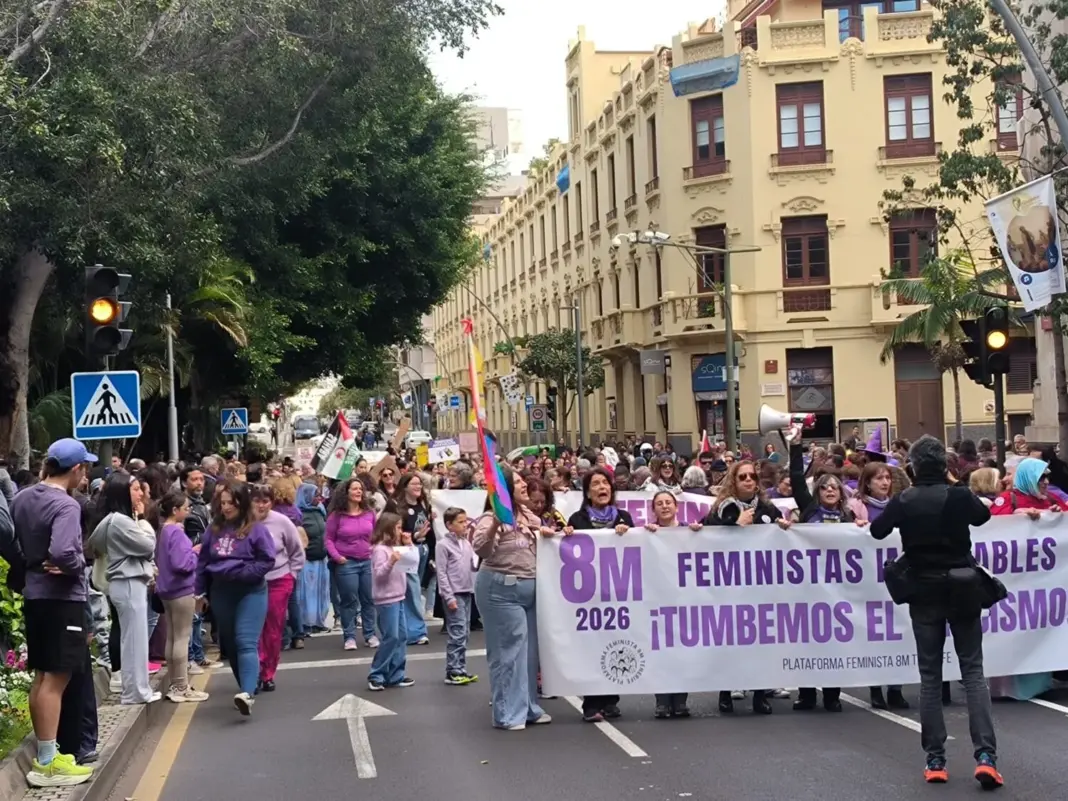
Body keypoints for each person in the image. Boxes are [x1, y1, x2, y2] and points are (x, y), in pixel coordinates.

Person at [869, 435, 1002, 789]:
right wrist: (953, 481)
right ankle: (985, 756)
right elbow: (984, 515)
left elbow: (877, 530)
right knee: (973, 671)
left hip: (923, 591)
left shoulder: (904, 499)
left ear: (911, 467)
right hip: (961, 587)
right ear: (944, 467)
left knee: (930, 675)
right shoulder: (957, 495)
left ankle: (935, 760)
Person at [11, 439, 96, 787]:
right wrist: (74, 564)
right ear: (76, 470)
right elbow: (64, 551)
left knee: (43, 675)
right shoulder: (66, 505)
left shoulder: (22, 498)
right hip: (62, 600)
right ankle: (48, 761)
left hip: (34, 594)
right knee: (57, 678)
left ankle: (48, 752)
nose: (86, 473)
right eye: (85, 468)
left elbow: (12, 538)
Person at [473, 467, 554, 730]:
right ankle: (507, 713)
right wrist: (497, 522)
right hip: (501, 592)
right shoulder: (489, 518)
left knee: (529, 654)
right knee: (509, 652)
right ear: (505, 488)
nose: (524, 485)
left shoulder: (529, 516)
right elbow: (482, 549)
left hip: (530, 590)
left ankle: (529, 707)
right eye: (517, 481)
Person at [195, 481, 276, 716]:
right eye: (223, 503)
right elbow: (202, 563)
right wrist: (200, 592)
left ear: (242, 502)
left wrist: (245, 574)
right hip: (221, 592)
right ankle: (246, 686)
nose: (227, 508)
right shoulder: (214, 529)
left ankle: (247, 693)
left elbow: (267, 559)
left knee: (245, 641)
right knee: (229, 644)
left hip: (250, 591)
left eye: (231, 503)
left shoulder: (256, 529)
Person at [566, 467, 634, 722]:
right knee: (592, 646)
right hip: (589, 594)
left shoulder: (624, 517)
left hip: (617, 593)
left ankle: (611, 700)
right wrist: (568, 536)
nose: (602, 488)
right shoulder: (577, 519)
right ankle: (592, 704)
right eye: (596, 484)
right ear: (587, 492)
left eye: (605, 483)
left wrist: (628, 534)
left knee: (615, 642)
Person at [88, 473, 159, 705]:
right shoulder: (121, 521)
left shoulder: (113, 520)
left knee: (134, 639)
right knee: (133, 641)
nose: (140, 494)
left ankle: (139, 689)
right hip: (128, 582)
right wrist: (142, 522)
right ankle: (135, 692)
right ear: (122, 493)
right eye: (136, 489)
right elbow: (148, 545)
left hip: (128, 583)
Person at [643, 491, 702, 719]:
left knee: (682, 651)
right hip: (658, 600)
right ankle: (662, 700)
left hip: (684, 599)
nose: (664, 506)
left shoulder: (690, 530)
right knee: (661, 651)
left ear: (676, 507)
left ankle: (680, 700)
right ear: (653, 509)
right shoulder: (648, 532)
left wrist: (698, 535)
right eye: (659, 504)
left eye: (668, 502)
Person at [155, 491, 208, 703]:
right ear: (175, 510)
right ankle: (180, 686)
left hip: (167, 590)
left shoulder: (164, 530)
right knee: (182, 638)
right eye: (186, 508)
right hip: (181, 589)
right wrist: (195, 552)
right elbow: (182, 564)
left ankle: (176, 683)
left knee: (173, 637)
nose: (189, 511)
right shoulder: (176, 533)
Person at [251, 484, 305, 692]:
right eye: (257, 501)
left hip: (279, 580)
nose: (261, 506)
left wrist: (292, 575)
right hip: (252, 582)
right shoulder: (244, 521)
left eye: (265, 501)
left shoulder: (282, 522)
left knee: (273, 630)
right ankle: (254, 670)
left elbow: (296, 551)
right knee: (254, 629)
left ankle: (268, 673)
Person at [326, 478, 378, 649]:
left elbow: (377, 535)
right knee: (349, 600)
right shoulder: (336, 516)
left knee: (368, 599)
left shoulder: (369, 513)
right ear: (345, 492)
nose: (358, 492)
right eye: (354, 489)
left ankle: (370, 634)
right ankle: (349, 637)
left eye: (360, 489)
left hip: (367, 561)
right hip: (346, 563)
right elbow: (328, 540)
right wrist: (337, 557)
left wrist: (375, 551)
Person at [367, 512, 412, 690]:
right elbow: (379, 575)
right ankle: (376, 673)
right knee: (391, 636)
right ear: (388, 529)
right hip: (386, 599)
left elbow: (411, 565)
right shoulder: (380, 550)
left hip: (399, 595)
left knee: (402, 636)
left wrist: (409, 546)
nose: (401, 531)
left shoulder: (395, 547)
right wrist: (391, 562)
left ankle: (396, 674)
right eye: (398, 527)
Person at [436, 507, 478, 686]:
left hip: (467, 590)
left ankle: (460, 667)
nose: (465, 525)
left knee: (465, 632)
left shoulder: (466, 543)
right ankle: (452, 670)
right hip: (454, 593)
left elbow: (473, 565)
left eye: (465, 521)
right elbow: (442, 572)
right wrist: (448, 596)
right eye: (460, 522)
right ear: (449, 525)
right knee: (457, 632)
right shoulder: (443, 545)